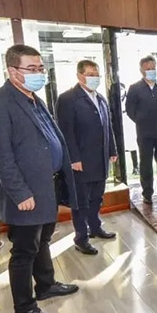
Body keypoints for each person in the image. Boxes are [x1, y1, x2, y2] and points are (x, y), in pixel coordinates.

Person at [0, 45, 79, 313]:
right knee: (24, 251)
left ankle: (46, 285)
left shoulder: (34, 99)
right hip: (26, 194)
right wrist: (20, 193)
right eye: (31, 69)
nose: (38, 74)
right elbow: (1, 157)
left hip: (47, 188)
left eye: (40, 68)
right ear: (12, 71)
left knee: (42, 240)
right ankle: (24, 308)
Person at [55, 60, 118, 256]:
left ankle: (95, 228)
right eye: (90, 74)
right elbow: (65, 132)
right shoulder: (67, 99)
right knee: (81, 202)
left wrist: (112, 150)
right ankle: (81, 239)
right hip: (80, 161)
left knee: (97, 198)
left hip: (100, 159)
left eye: (96, 74)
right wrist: (73, 158)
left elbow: (108, 127)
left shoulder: (100, 98)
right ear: (79, 76)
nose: (94, 78)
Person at [125, 55, 157, 204]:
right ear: (141, 71)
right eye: (148, 69)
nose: (151, 71)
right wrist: (142, 121)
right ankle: (147, 194)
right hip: (144, 133)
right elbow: (130, 110)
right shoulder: (134, 88)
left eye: (153, 68)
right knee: (145, 164)